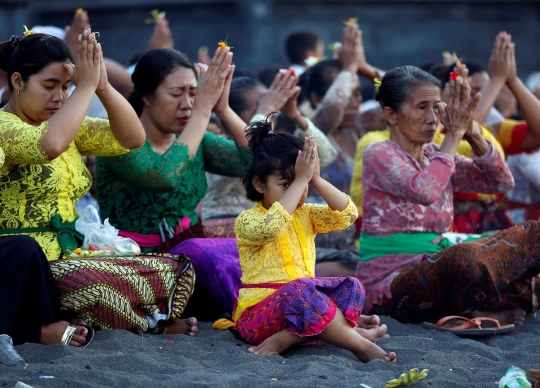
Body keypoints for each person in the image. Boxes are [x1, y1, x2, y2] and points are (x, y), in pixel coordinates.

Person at [0, 29, 196, 336]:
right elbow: (50, 145)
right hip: (29, 265)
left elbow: (132, 138)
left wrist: (102, 86)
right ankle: (150, 323)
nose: (60, 97)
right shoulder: (4, 124)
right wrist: (85, 87)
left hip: (72, 254)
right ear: (17, 81)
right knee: (96, 285)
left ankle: (136, 319)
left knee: (170, 269)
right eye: (49, 86)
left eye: (66, 86)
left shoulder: (66, 125)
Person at [357, 65, 540, 326]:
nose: (433, 118)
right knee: (462, 260)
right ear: (392, 115)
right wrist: (453, 134)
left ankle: (469, 311)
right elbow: (426, 190)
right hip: (391, 281)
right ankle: (468, 311)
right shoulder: (378, 152)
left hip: (445, 264)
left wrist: (472, 131)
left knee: (533, 235)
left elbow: (500, 181)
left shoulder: (435, 153)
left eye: (436, 107)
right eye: (422, 107)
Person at [232, 119, 395, 363]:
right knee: (301, 290)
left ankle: (289, 338)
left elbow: (347, 214)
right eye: (285, 184)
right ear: (259, 183)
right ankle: (358, 343)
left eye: (301, 182)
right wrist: (300, 180)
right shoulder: (247, 219)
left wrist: (315, 179)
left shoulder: (306, 213)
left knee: (351, 286)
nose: (296, 190)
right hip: (256, 319)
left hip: (301, 308)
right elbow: (271, 228)